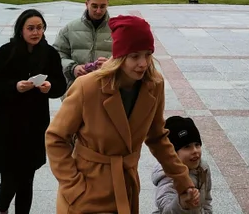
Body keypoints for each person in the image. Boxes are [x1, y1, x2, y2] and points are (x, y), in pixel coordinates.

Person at [46, 15, 201, 214]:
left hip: (126, 187)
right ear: (119, 56)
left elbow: (157, 138)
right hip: (86, 190)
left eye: (147, 54)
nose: (143, 63)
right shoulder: (88, 87)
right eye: (135, 56)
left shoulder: (154, 85)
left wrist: (183, 182)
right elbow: (56, 137)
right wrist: (73, 185)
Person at [0, 8, 67, 214]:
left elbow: (60, 84)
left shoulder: (49, 54)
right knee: (9, 180)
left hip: (34, 126)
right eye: (30, 28)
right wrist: (15, 86)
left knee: (27, 180)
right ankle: (2, 209)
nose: (35, 32)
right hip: (8, 127)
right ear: (21, 29)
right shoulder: (6, 52)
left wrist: (50, 88)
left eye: (39, 28)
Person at [53, 0, 113, 88]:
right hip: (76, 89)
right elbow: (56, 54)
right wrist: (73, 68)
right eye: (94, 6)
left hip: (105, 89)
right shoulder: (70, 29)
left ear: (107, 4)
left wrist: (110, 65)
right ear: (86, 4)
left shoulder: (116, 30)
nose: (98, 11)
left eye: (102, 6)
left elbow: (125, 59)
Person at [152, 116, 213, 214]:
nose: (194, 151)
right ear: (173, 153)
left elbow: (206, 201)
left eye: (197, 144)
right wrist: (181, 203)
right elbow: (165, 208)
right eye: (187, 147)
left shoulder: (203, 168)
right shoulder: (168, 175)